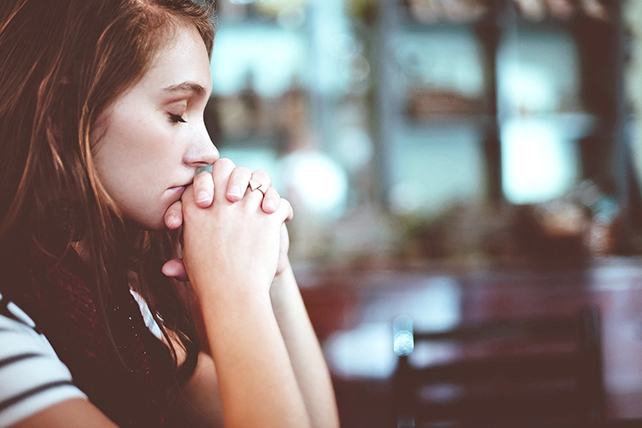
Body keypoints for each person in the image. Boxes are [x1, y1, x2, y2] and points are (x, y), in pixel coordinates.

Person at [0, 0, 340, 427]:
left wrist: (271, 268)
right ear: (63, 114)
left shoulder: (111, 302)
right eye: (177, 113)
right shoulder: (8, 329)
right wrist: (232, 293)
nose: (209, 152)